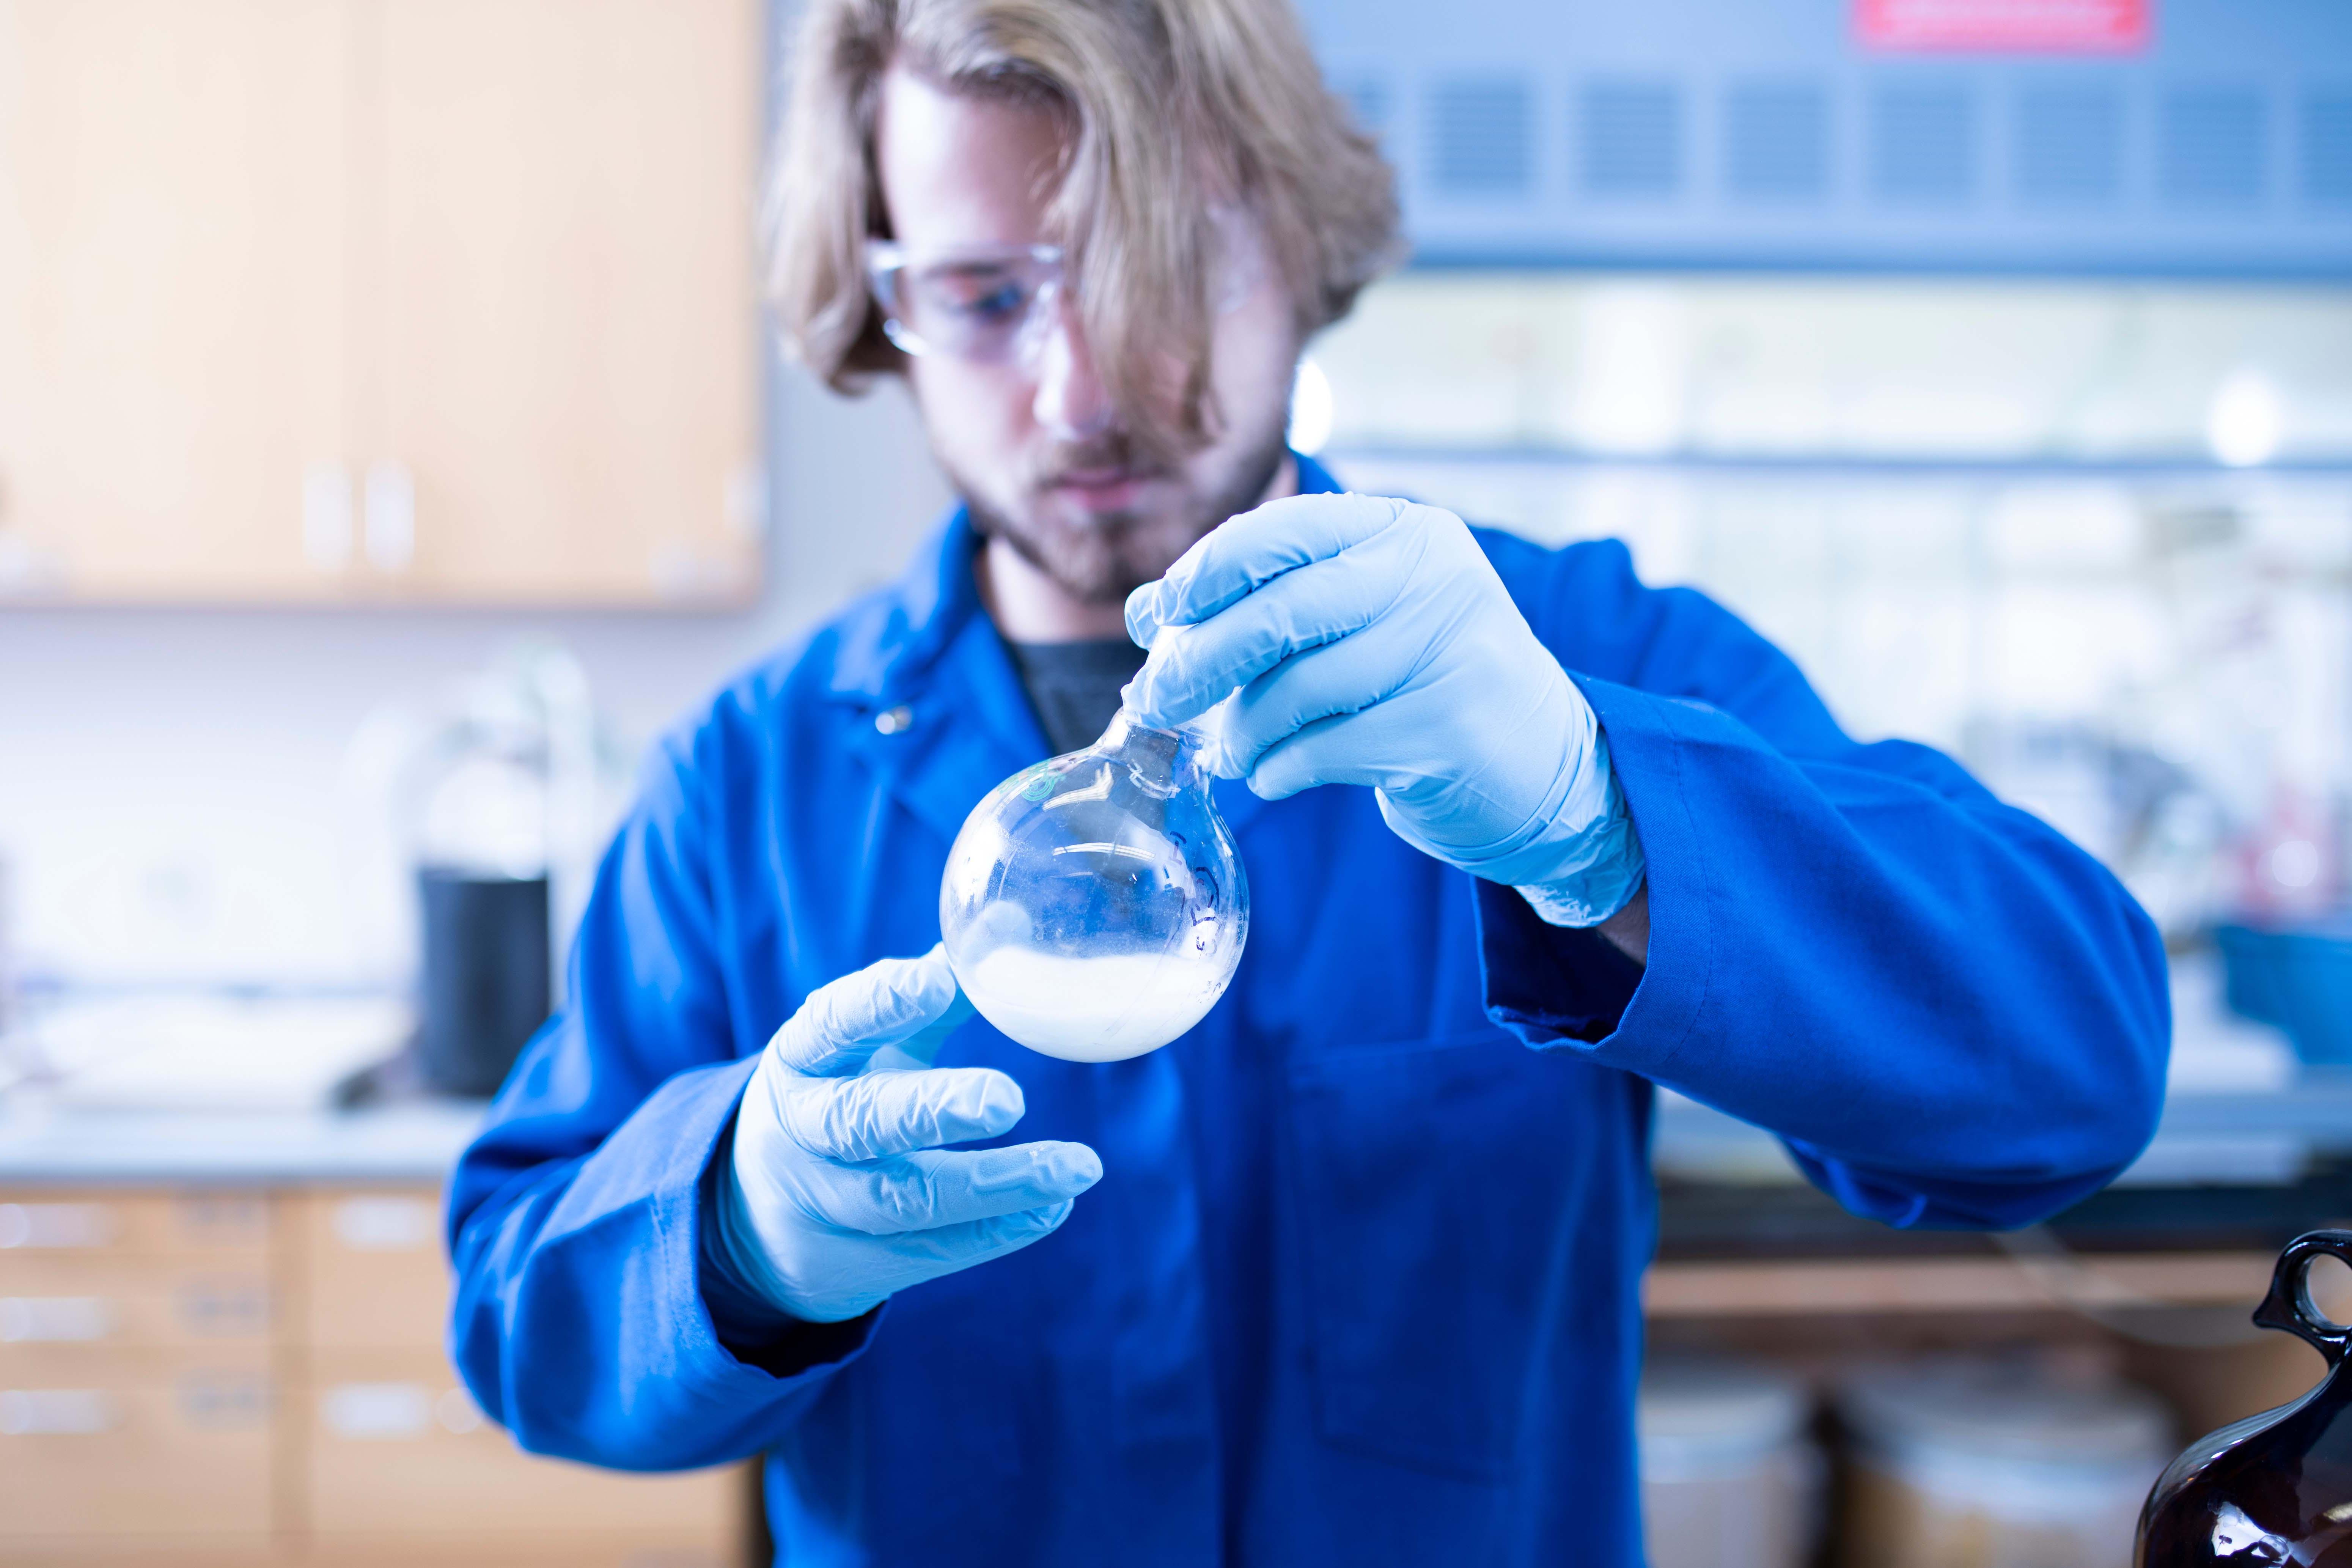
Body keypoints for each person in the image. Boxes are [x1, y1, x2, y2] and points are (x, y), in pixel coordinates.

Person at [445, 1, 2170, 1562]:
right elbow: (519, 1306)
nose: (1080, 387)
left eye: (1159, 269)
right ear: (885, 302)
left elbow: (2075, 1066)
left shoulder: (1567, 649)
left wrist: (1600, 812)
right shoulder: (750, 780)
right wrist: (743, 1223)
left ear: (1296, 236)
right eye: (982, 296)